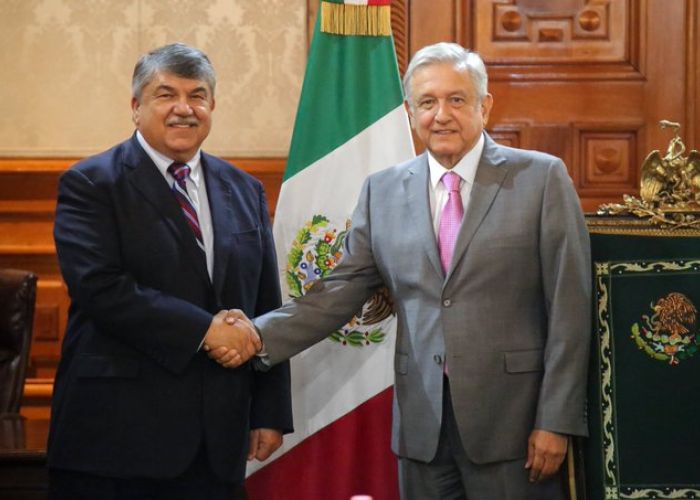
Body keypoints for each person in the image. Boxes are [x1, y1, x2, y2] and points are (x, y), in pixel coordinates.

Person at [212, 42, 591, 499]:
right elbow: (340, 290)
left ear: (484, 106)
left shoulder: (541, 179)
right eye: (427, 102)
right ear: (410, 113)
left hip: (515, 428)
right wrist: (256, 334)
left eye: (456, 99)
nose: (442, 115)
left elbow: (570, 310)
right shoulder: (383, 191)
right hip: (422, 428)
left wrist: (556, 419)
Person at [48, 43, 292, 500]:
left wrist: (269, 410)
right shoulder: (92, 183)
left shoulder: (245, 189)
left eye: (197, 96)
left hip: (216, 442)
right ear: (136, 107)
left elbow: (264, 302)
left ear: (212, 106)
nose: (184, 108)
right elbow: (101, 289)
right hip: (116, 443)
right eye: (166, 95)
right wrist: (207, 330)